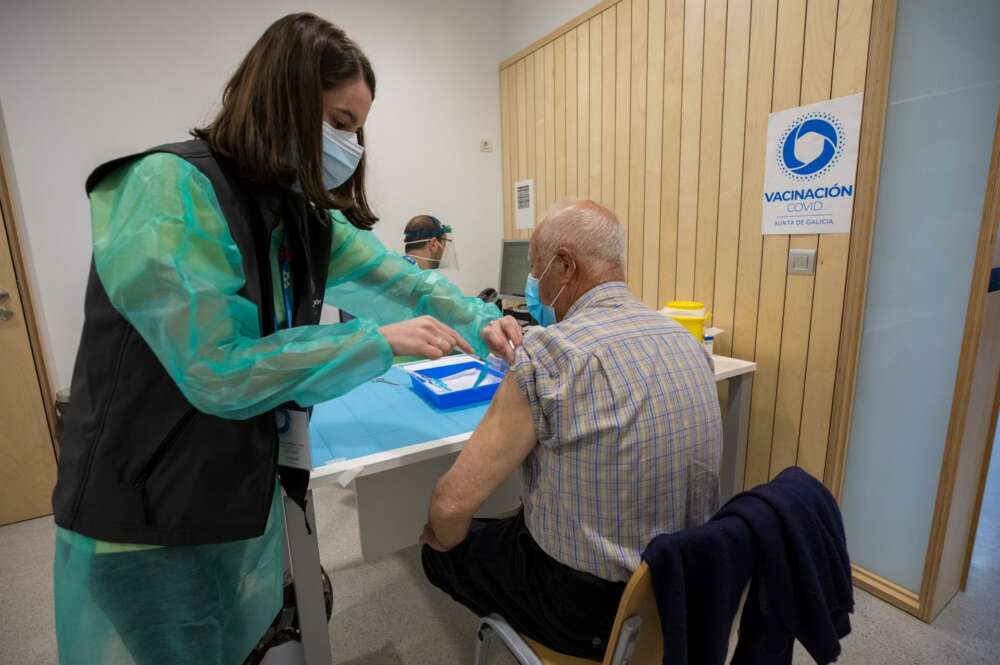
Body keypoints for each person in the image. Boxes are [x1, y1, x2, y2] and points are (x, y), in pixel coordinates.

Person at [51, 13, 523, 665]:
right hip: (142, 507)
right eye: (339, 122)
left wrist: (479, 319)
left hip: (223, 486)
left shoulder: (299, 216)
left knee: (230, 640)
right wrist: (376, 343)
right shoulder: (170, 190)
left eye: (357, 128)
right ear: (281, 101)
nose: (350, 146)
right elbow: (217, 368)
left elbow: (403, 281)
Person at [420, 200, 723, 660]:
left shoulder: (550, 354)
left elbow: (451, 504)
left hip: (588, 611)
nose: (535, 286)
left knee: (439, 548)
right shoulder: (686, 341)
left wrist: (441, 535)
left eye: (537, 270)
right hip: (683, 586)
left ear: (565, 265)